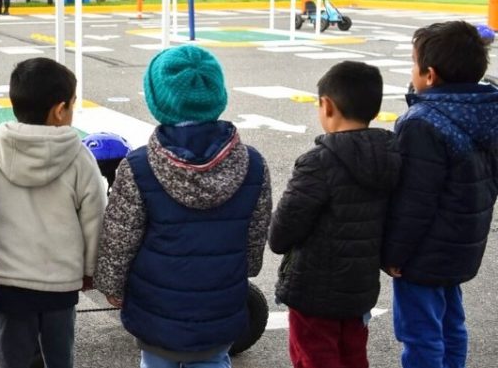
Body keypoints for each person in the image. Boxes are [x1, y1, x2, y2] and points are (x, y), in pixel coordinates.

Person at [94, 45, 272, 368]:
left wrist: (112, 286)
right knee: (215, 359)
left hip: (155, 310)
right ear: (217, 95)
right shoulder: (253, 165)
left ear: (157, 100)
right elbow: (254, 241)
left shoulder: (139, 166)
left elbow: (119, 239)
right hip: (220, 305)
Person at [0, 58, 107, 368]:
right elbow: (93, 217)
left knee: (11, 358)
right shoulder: (79, 156)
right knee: (59, 357)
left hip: (3, 280)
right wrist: (89, 270)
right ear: (60, 110)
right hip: (59, 282)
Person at [383, 21, 498, 368]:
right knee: (451, 323)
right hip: (464, 243)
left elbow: (413, 202)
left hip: (422, 254)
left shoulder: (422, 122)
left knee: (420, 333)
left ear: (429, 75)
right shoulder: (489, 110)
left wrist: (394, 254)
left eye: (412, 63)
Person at [269, 61, 399, 368]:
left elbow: (282, 232)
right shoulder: (391, 155)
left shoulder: (318, 162)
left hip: (313, 290)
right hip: (359, 288)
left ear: (327, 106)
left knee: (314, 356)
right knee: (354, 354)